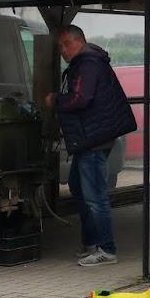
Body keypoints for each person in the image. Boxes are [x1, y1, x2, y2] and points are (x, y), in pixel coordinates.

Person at [46, 25, 136, 267]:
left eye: (66, 44)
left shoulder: (88, 64)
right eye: (60, 47)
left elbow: (80, 98)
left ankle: (106, 249)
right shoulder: (86, 63)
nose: (63, 51)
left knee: (95, 196)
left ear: (79, 42)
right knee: (77, 185)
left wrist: (55, 100)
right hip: (89, 139)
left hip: (93, 140)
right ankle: (90, 242)